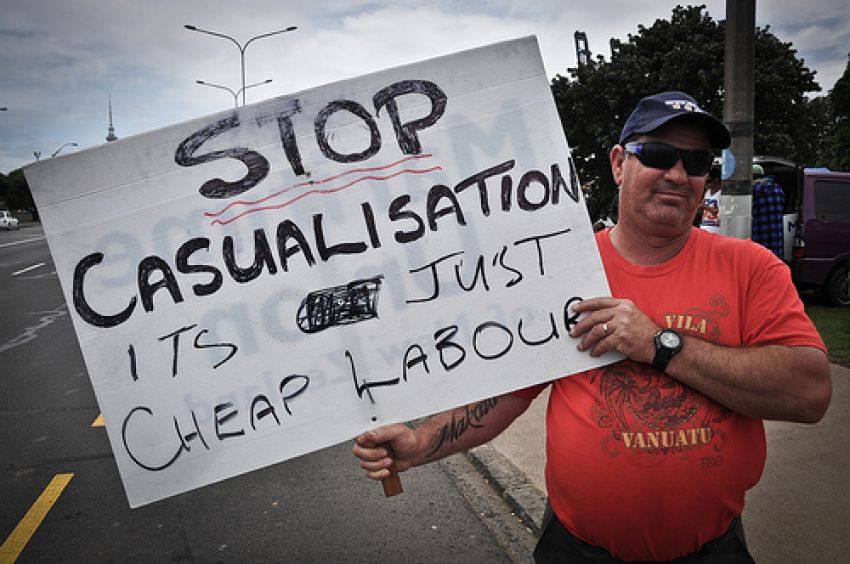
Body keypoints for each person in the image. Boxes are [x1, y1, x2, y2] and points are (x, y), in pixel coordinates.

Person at [352, 91, 831, 563]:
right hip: (577, 549)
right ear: (619, 163)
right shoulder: (562, 269)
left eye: (697, 161)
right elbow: (507, 396)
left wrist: (659, 344)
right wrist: (420, 444)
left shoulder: (751, 267)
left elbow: (808, 393)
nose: (677, 174)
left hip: (712, 550)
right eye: (657, 154)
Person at [751, 164, 786, 259]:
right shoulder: (778, 189)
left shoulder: (753, 190)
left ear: (752, 177)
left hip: (760, 244)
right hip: (776, 244)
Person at [699, 166, 722, 232]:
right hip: (704, 227)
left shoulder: (721, 194)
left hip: (715, 229)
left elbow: (720, 212)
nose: (706, 184)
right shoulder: (707, 192)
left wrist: (705, 207)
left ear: (716, 180)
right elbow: (701, 207)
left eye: (708, 181)